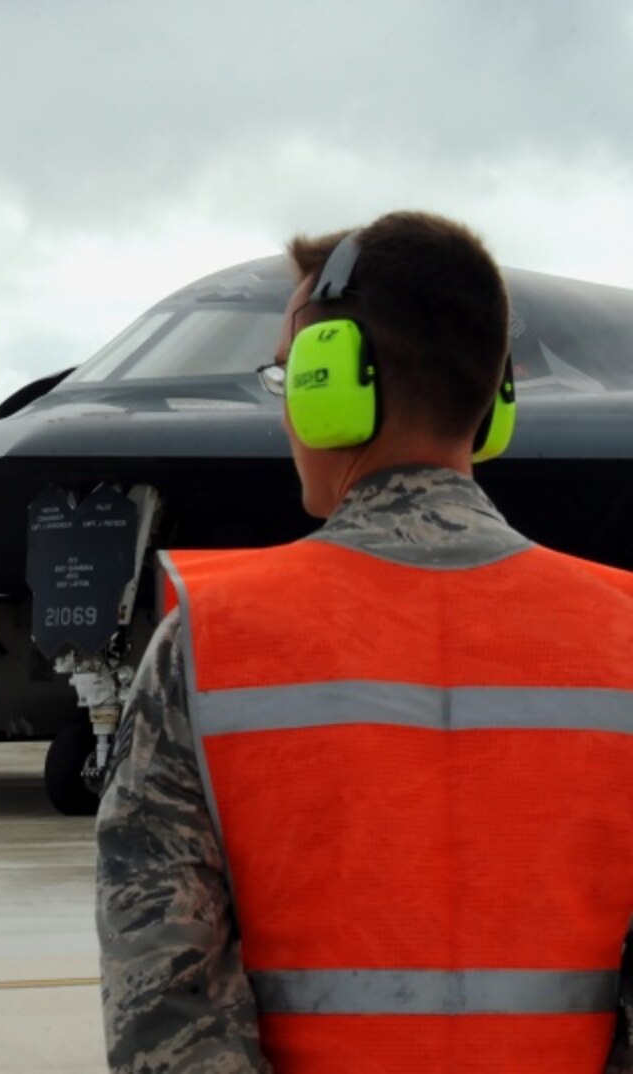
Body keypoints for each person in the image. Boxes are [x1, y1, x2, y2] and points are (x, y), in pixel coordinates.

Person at [96, 211, 633, 1072]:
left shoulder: (209, 639)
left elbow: (164, 1000)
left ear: (329, 385)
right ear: (495, 401)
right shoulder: (625, 634)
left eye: (286, 377)